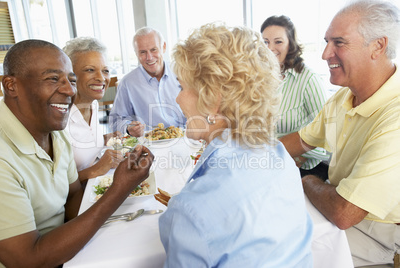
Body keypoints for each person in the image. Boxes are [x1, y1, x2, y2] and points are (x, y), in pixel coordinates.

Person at [159, 23, 313, 267]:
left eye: (182, 87)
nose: (177, 98)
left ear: (213, 101)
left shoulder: (191, 211)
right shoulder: (279, 157)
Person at [0, 39, 153, 267]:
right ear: (11, 86)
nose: (70, 90)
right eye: (52, 79)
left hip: (66, 245)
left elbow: (71, 201)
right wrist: (119, 189)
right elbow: (27, 260)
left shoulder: (54, 132)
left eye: (71, 80)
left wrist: (121, 183)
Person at [280, 0, 400, 266]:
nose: (325, 54)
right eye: (326, 42)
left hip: (378, 234)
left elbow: (344, 212)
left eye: (339, 43)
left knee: (279, 253)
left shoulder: (396, 116)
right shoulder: (344, 97)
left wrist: (307, 181)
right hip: (334, 207)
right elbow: (298, 141)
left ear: (378, 46)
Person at [261, 15, 329, 180]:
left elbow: (327, 136)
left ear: (291, 44)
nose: (270, 48)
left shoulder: (308, 80)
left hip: (301, 170)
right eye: (265, 42)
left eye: (278, 42)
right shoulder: (261, 78)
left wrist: (298, 157)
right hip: (265, 164)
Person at [63, 37, 124, 183]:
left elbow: (83, 141)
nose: (101, 78)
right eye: (90, 70)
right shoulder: (59, 118)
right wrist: (96, 170)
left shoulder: (93, 104)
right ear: (70, 75)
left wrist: (104, 139)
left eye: (105, 71)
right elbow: (55, 187)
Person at [109, 27, 186, 137]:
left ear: (163, 47)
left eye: (154, 50)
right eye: (143, 52)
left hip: (185, 139)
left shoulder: (182, 72)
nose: (149, 57)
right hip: (149, 145)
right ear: (136, 53)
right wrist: (127, 128)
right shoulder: (127, 83)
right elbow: (115, 120)